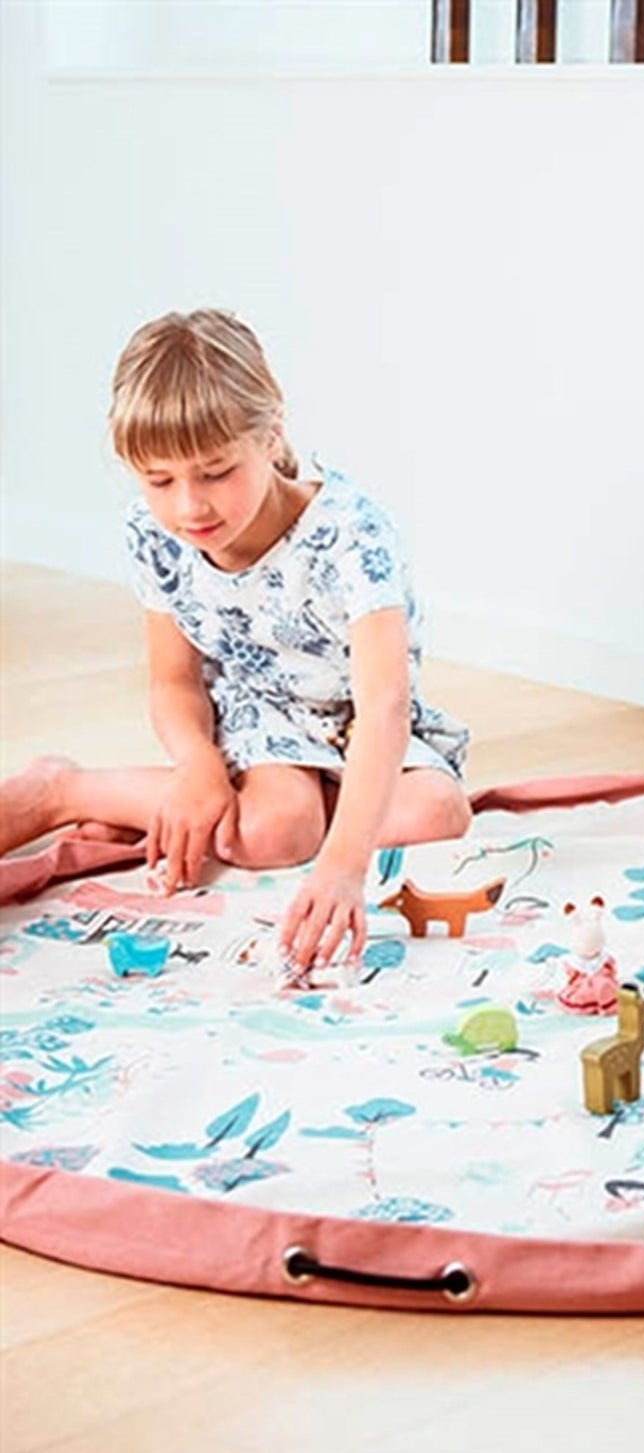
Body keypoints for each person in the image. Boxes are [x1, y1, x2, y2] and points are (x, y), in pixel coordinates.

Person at [0, 309, 472, 973]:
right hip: (258, 713)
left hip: (356, 721)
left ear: (271, 434)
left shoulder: (351, 535)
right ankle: (62, 788)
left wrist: (343, 866)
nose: (189, 507)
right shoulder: (156, 534)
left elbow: (385, 706)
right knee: (276, 829)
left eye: (216, 472)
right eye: (159, 481)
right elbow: (173, 680)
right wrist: (198, 767)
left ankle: (167, 806)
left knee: (442, 811)